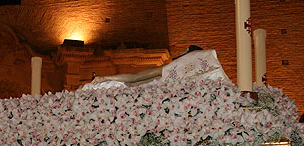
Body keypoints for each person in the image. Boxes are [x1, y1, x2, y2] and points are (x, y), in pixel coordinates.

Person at [82, 46, 231, 90]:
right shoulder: (173, 73)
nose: (179, 53)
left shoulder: (170, 69)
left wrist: (105, 78)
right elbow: (133, 82)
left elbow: (135, 78)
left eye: (183, 52)